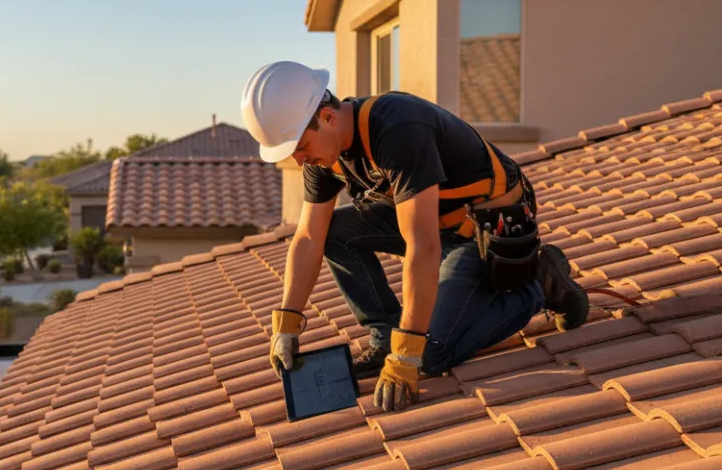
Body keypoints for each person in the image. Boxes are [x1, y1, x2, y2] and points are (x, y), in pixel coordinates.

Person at [240, 61, 589, 412]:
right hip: (432, 226)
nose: (301, 161)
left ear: (327, 117)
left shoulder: (397, 128)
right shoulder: (325, 156)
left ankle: (538, 286)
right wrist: (286, 325)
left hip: (480, 235)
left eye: (300, 147)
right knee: (335, 233)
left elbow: (421, 244)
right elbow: (308, 238)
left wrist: (406, 354)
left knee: (428, 356)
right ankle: (383, 335)